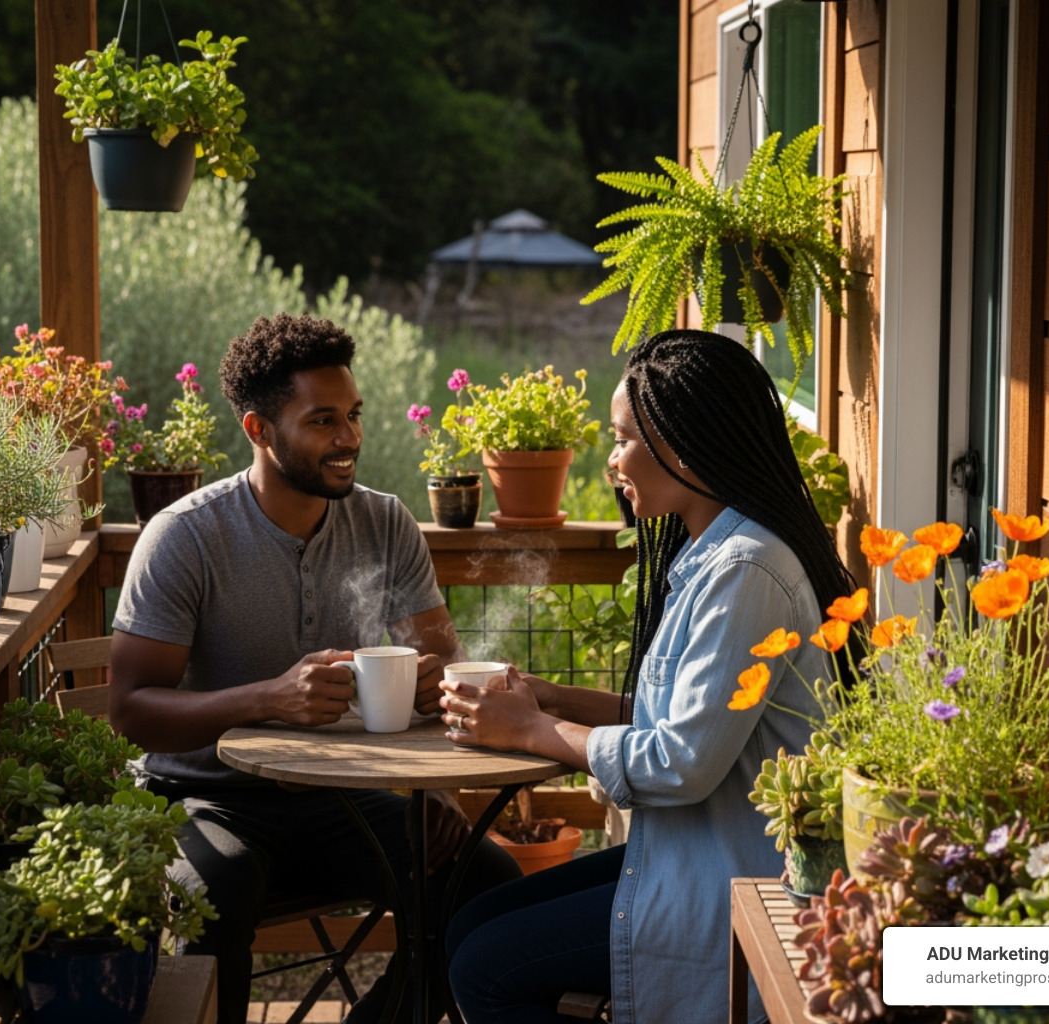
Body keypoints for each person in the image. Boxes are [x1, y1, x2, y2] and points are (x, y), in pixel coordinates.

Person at [109, 312, 520, 1024]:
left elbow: (444, 663)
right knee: (216, 895)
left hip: (340, 798)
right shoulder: (184, 537)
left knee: (485, 884)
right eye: (323, 420)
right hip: (207, 800)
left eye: (354, 415)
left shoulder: (386, 523)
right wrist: (268, 697)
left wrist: (443, 777)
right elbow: (132, 709)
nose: (350, 438)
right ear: (259, 430)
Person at [439, 329, 856, 1024]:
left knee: (485, 970)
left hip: (726, 876)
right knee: (469, 925)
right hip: (682, 848)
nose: (612, 461)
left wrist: (537, 730)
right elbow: (682, 718)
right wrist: (551, 696)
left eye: (623, 439)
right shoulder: (714, 551)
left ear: (683, 445)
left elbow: (681, 761)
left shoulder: (745, 571)